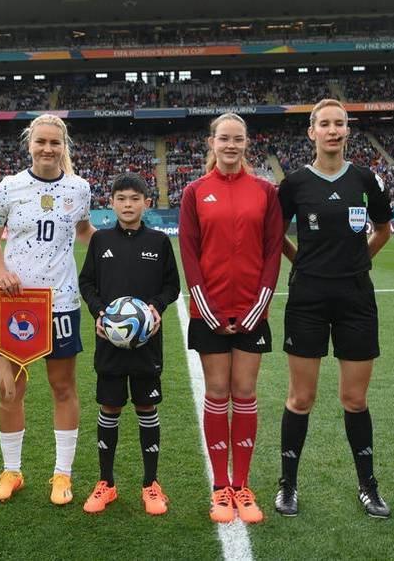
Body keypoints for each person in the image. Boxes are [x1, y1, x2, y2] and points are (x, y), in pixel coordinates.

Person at [275, 99, 393, 519]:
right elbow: (276, 237)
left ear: (347, 130)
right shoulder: (293, 183)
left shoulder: (365, 178)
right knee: (301, 397)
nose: (332, 130)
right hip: (307, 298)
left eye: (339, 123)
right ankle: (288, 484)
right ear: (312, 132)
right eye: (324, 124)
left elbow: (383, 230)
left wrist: (360, 262)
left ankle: (368, 486)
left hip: (355, 298)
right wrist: (303, 264)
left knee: (355, 399)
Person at [0, 114, 95, 504]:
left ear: (64, 146)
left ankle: (62, 475)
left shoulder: (79, 188)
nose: (47, 149)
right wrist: (1, 272)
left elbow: (85, 232)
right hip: (17, 305)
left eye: (54, 142)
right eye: (41, 142)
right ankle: (12, 471)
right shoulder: (8, 187)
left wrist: (118, 247)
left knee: (63, 387)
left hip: (60, 302)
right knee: (9, 390)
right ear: (29, 144)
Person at [179, 112, 283, 524]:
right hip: (209, 313)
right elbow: (189, 254)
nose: (230, 145)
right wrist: (209, 311)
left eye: (238, 139)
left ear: (246, 143)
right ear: (212, 143)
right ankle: (220, 487)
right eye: (224, 138)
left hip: (253, 312)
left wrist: (258, 307)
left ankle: (242, 485)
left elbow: (273, 252)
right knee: (218, 391)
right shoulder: (194, 192)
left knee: (244, 392)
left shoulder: (265, 191)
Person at [78, 173, 180, 516]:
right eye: (121, 198)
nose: (127, 204)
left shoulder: (159, 242)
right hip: (109, 341)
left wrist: (156, 308)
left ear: (146, 204)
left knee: (146, 408)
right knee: (109, 407)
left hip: (147, 342)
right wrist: (98, 312)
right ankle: (106, 483)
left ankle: (151, 484)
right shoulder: (100, 240)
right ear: (111, 203)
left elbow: (172, 286)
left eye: (135, 199)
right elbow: (87, 283)